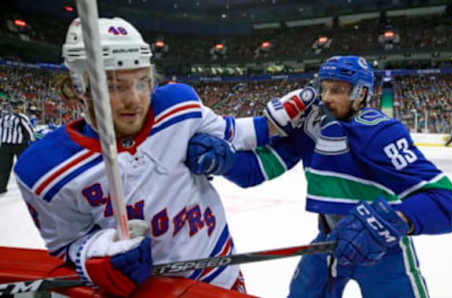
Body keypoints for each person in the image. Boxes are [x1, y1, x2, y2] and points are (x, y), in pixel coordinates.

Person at [14, 17, 274, 297]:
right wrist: (96, 252)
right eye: (115, 86)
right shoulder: (42, 170)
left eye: (142, 82)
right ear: (78, 87)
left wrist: (294, 112)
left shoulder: (179, 106)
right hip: (143, 292)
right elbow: (68, 244)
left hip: (220, 278)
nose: (135, 99)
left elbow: (245, 135)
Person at [186, 56, 452, 298]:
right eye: (324, 88)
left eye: (338, 90)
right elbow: (259, 169)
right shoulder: (310, 127)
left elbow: (450, 202)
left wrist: (393, 220)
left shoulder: (380, 134)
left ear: (361, 93)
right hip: (328, 241)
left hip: (382, 249)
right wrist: (225, 160)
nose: (327, 98)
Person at [0, 103, 35, 194]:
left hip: (5, 145)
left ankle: (1, 187)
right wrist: (32, 140)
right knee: (25, 165)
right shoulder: (21, 117)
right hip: (19, 145)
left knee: (4, 167)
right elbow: (29, 130)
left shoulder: (3, 118)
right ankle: (29, 186)